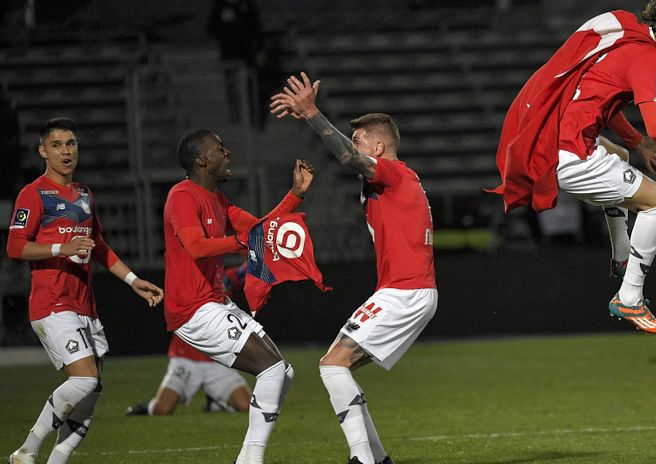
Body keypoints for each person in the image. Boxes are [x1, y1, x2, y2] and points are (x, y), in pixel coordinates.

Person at [488, 0, 656, 333]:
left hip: (553, 139)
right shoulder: (647, 58)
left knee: (622, 157)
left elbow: (607, 101)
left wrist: (636, 142)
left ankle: (621, 254)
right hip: (571, 153)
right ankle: (630, 297)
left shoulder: (624, 39)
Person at [271, 72, 437, 464]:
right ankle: (377, 458)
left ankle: (363, 459)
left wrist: (313, 114)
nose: (354, 143)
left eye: (361, 138)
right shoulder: (398, 179)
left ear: (379, 146)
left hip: (405, 291)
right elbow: (348, 152)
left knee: (332, 365)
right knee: (335, 363)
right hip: (404, 290)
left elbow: (346, 156)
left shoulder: (393, 173)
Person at [6, 118, 164, 464]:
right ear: (42, 151)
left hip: (84, 307)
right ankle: (27, 451)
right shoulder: (33, 194)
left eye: (72, 143)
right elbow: (15, 247)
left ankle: (56, 460)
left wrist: (133, 280)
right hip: (52, 304)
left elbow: (100, 247)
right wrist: (61, 249)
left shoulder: (83, 194)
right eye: (58, 144)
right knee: (85, 380)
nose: (66, 151)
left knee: (90, 393)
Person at [163, 128, 313, 464]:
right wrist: (242, 243)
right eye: (220, 149)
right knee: (272, 370)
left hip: (213, 303)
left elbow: (260, 230)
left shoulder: (218, 200)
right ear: (202, 160)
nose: (227, 153)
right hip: (192, 309)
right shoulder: (182, 196)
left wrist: (295, 195)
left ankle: (246, 459)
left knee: (283, 373)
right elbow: (197, 247)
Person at [125, 334, 252, 416]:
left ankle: (215, 403)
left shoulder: (224, 293)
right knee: (162, 409)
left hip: (216, 359)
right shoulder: (188, 292)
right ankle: (147, 407)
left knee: (247, 405)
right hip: (186, 358)